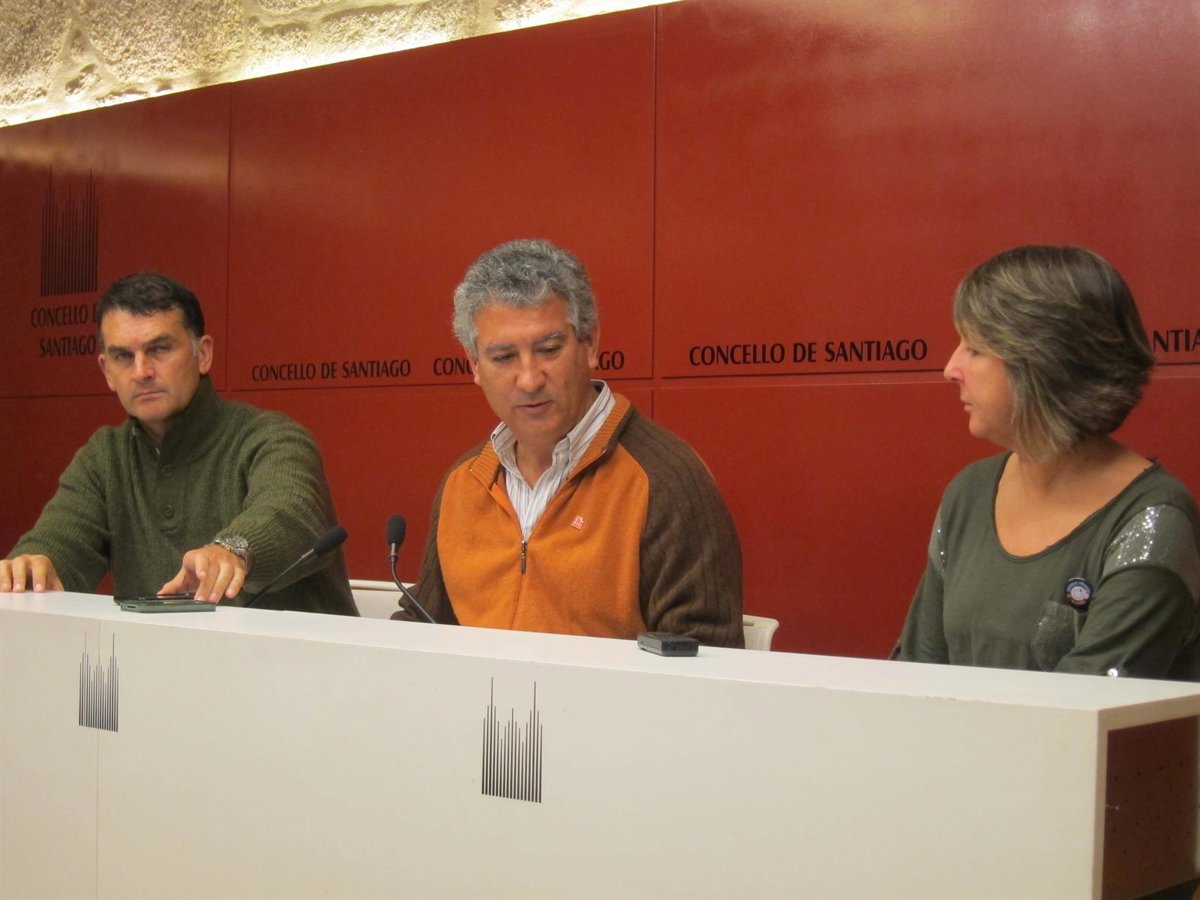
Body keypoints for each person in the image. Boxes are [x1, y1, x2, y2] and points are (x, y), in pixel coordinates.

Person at [408, 239, 743, 645]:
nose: (529, 379)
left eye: (549, 350)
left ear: (590, 344)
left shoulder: (666, 482)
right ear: (474, 364)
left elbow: (707, 657)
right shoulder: (463, 483)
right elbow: (422, 627)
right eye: (504, 357)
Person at [894, 246, 1199, 679]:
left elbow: (1088, 709)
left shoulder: (1151, 519)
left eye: (975, 349)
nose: (950, 369)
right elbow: (916, 674)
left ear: (1042, 361)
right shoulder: (970, 491)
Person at [1, 272, 356, 615]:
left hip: (295, 655)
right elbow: (61, 538)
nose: (141, 371)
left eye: (159, 349)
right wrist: (34, 564)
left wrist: (232, 551)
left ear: (203, 354)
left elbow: (291, 511)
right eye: (124, 356)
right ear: (107, 371)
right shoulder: (104, 457)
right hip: (156, 655)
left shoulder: (271, 437)